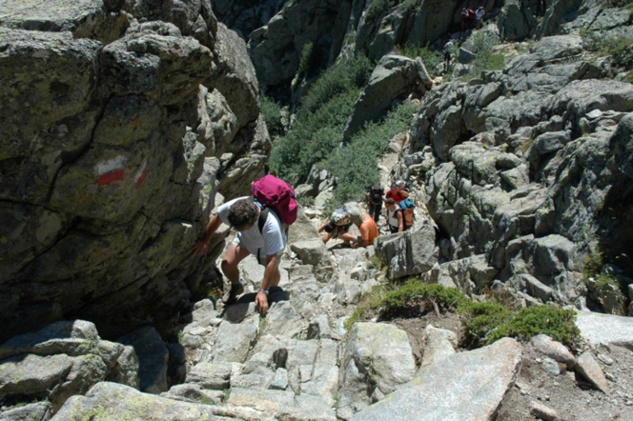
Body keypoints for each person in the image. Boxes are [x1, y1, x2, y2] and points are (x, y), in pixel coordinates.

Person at [193, 197, 286, 315]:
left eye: (241, 228)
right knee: (227, 265)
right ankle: (236, 286)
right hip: (245, 241)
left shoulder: (271, 226)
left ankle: (272, 292)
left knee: (272, 274)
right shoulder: (235, 207)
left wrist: (263, 291)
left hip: (266, 248)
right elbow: (217, 218)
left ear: (253, 220)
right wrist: (204, 240)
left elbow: (271, 260)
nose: (236, 229)